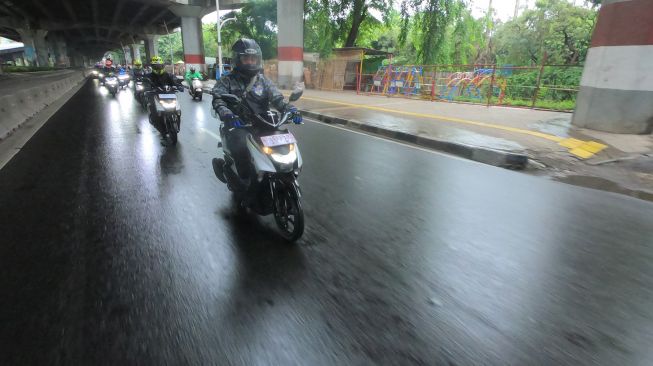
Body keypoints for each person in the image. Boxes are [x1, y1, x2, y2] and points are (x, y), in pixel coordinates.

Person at [211, 38, 302, 184]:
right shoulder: (226, 80)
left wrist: (291, 109)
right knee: (240, 146)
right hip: (238, 124)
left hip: (263, 122)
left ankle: (282, 170)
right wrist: (227, 114)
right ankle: (243, 182)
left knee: (282, 144)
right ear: (238, 59)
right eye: (246, 58)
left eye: (253, 59)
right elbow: (218, 99)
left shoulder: (263, 80)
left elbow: (277, 98)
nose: (250, 62)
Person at [143, 56, 182, 138]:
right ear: (152, 67)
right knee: (154, 112)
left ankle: (176, 122)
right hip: (155, 96)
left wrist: (179, 86)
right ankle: (160, 128)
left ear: (163, 66)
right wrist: (147, 89)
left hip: (169, 96)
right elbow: (145, 84)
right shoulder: (148, 76)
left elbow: (175, 82)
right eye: (156, 66)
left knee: (178, 110)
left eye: (159, 66)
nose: (158, 67)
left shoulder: (168, 75)